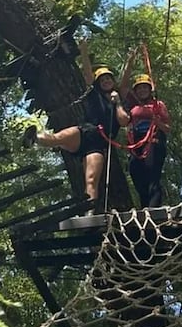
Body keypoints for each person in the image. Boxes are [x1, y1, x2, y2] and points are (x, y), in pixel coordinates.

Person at [23, 39, 129, 210]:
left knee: (91, 179)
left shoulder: (120, 102)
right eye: (103, 80)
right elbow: (87, 75)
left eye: (109, 79)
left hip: (98, 143)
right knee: (57, 138)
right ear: (99, 83)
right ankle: (34, 138)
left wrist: (117, 102)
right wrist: (84, 51)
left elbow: (124, 120)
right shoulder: (94, 93)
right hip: (84, 132)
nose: (106, 81)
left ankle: (90, 210)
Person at [123, 71, 171, 209]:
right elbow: (123, 87)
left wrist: (158, 122)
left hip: (153, 140)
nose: (142, 90)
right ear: (136, 91)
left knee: (151, 173)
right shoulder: (133, 106)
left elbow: (167, 128)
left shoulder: (158, 105)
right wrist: (130, 63)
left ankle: (153, 207)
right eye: (139, 88)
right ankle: (145, 206)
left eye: (145, 87)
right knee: (135, 170)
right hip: (136, 142)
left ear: (150, 90)